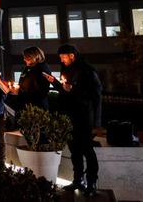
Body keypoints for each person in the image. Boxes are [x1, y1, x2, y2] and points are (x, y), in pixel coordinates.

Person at [44, 44, 102, 198]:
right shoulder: (67, 70)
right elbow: (66, 90)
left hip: (84, 117)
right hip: (70, 116)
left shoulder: (87, 71)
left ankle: (91, 183)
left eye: (63, 57)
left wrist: (96, 122)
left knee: (87, 151)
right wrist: (55, 82)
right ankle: (78, 180)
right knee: (74, 150)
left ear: (72, 55)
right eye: (60, 57)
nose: (61, 60)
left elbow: (95, 94)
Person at [9, 46, 52, 122]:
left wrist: (19, 92)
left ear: (34, 57)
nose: (24, 59)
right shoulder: (28, 68)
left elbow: (40, 92)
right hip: (26, 106)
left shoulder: (41, 70)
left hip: (36, 109)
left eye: (27, 57)